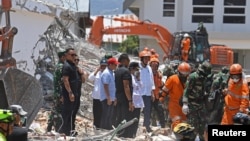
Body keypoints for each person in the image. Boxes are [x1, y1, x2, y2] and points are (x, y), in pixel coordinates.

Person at [182, 61, 212, 141]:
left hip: (201, 104)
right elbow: (186, 91)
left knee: (202, 125)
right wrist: (185, 104)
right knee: (193, 127)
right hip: (192, 105)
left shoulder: (205, 79)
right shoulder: (193, 77)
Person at [160, 62, 191, 131]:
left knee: (184, 123)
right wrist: (161, 99)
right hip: (174, 105)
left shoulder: (189, 80)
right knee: (176, 122)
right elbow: (164, 91)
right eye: (183, 75)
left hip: (184, 106)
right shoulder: (172, 79)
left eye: (186, 74)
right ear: (179, 72)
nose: (185, 76)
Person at [114, 53, 134, 137]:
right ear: (125, 61)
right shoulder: (125, 71)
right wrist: (130, 101)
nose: (129, 62)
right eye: (128, 60)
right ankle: (123, 135)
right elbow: (126, 86)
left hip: (118, 97)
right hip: (125, 98)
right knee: (125, 117)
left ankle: (118, 134)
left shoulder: (117, 70)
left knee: (119, 116)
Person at [59, 48, 78, 136]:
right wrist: (70, 93)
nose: (74, 56)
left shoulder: (72, 65)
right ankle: (64, 132)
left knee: (71, 113)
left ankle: (69, 131)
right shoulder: (66, 66)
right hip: (69, 94)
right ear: (66, 55)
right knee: (66, 114)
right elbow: (65, 80)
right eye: (72, 55)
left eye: (75, 55)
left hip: (75, 93)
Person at [47, 49, 65, 132]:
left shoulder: (58, 66)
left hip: (56, 92)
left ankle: (49, 127)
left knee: (54, 109)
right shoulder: (61, 67)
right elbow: (61, 82)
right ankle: (58, 128)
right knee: (58, 111)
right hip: (59, 93)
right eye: (65, 56)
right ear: (62, 57)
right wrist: (61, 95)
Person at [88, 58, 108, 129]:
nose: (103, 67)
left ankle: (102, 127)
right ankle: (96, 127)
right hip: (96, 97)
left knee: (103, 114)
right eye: (102, 66)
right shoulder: (97, 73)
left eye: (105, 66)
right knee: (96, 113)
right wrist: (96, 70)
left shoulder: (108, 74)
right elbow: (90, 78)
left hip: (104, 97)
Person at [139, 47, 155, 132]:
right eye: (145, 58)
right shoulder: (138, 67)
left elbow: (151, 80)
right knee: (138, 111)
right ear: (142, 59)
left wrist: (152, 92)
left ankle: (147, 126)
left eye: (148, 58)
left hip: (147, 93)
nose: (147, 60)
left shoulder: (149, 68)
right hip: (140, 92)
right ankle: (137, 127)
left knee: (148, 110)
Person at [100, 57, 119, 130]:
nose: (116, 66)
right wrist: (108, 98)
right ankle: (103, 129)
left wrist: (114, 98)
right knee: (106, 114)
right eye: (115, 65)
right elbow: (105, 86)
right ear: (110, 65)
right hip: (106, 98)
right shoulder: (106, 73)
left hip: (111, 97)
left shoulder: (112, 73)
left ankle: (107, 129)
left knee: (110, 115)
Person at [149, 56, 165, 128]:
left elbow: (161, 84)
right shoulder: (148, 74)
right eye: (153, 66)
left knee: (160, 111)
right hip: (149, 96)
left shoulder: (159, 75)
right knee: (149, 112)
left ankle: (163, 126)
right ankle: (148, 126)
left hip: (157, 96)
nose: (154, 67)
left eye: (156, 66)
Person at [129, 62, 144, 137]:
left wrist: (138, 78)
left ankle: (134, 134)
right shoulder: (130, 77)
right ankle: (130, 134)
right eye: (136, 69)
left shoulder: (136, 77)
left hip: (138, 102)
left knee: (136, 119)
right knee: (131, 119)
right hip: (133, 101)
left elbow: (141, 86)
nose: (137, 71)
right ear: (132, 69)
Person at [71, 55, 85, 135]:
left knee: (74, 113)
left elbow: (83, 80)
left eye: (78, 60)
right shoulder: (70, 69)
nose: (76, 61)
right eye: (75, 60)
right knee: (70, 113)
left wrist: (81, 73)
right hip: (71, 95)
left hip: (77, 95)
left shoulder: (78, 70)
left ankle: (72, 128)